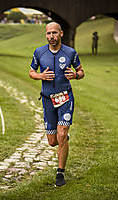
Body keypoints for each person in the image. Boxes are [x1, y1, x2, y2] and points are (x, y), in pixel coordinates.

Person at [29, 22, 84, 187]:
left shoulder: (70, 52)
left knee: (61, 134)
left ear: (61, 33)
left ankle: (60, 173)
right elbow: (31, 72)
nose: (51, 37)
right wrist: (40, 76)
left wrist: (75, 75)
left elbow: (81, 71)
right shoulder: (39, 52)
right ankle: (63, 138)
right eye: (48, 33)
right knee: (53, 141)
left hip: (65, 98)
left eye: (54, 33)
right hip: (47, 100)